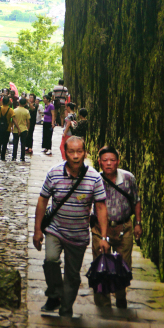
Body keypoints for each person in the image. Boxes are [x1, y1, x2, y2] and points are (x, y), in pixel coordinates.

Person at [33, 136, 109, 317]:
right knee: (50, 260)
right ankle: (55, 293)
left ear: (85, 152)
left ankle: (66, 308)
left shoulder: (94, 178)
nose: (75, 156)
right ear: (65, 152)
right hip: (55, 229)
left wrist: (104, 237)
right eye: (71, 152)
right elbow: (43, 201)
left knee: (73, 275)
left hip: (78, 235)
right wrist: (37, 230)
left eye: (79, 151)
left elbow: (101, 207)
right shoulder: (54, 173)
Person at [91, 146, 142, 309]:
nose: (108, 164)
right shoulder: (94, 180)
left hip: (124, 227)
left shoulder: (128, 178)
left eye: (112, 160)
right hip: (100, 229)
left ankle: (121, 295)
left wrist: (138, 223)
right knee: (100, 265)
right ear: (99, 162)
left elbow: (136, 200)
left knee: (123, 265)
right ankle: (103, 301)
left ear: (118, 162)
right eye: (105, 160)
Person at [0, 96, 14, 161]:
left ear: (2, 102)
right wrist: (12, 126)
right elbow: (13, 119)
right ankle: (3, 156)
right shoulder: (10, 110)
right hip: (7, 128)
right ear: (8, 102)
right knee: (5, 143)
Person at [11, 97, 30, 162]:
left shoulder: (14, 110)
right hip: (24, 129)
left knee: (15, 143)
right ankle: (22, 157)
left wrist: (12, 127)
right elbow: (28, 122)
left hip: (16, 129)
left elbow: (13, 120)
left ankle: (14, 156)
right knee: (23, 144)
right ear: (25, 104)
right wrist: (27, 129)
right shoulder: (26, 111)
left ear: (19, 102)